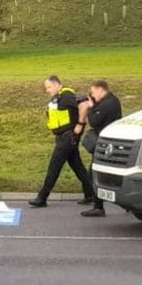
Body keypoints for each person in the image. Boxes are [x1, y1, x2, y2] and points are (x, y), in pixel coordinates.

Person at [30, 75, 94, 208]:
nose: (47, 90)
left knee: (54, 166)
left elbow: (84, 104)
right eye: (46, 87)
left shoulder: (67, 96)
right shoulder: (58, 98)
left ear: (57, 84)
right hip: (65, 137)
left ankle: (42, 197)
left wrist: (80, 124)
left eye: (49, 87)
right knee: (78, 167)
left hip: (67, 137)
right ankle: (90, 194)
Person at [79, 80, 123, 217]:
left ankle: (99, 207)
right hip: (109, 143)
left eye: (93, 92)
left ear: (100, 89)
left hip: (105, 144)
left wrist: (91, 107)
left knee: (94, 173)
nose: (92, 95)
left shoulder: (108, 104)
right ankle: (102, 204)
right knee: (101, 172)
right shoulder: (111, 100)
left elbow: (93, 121)